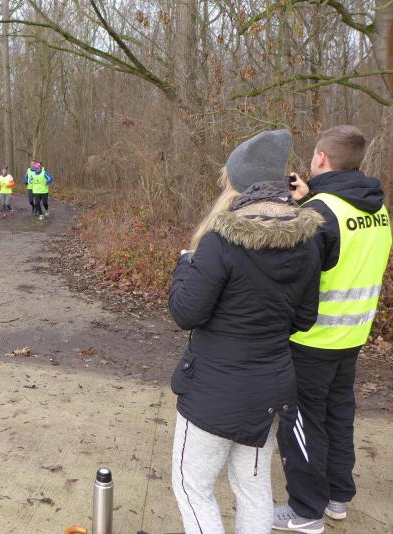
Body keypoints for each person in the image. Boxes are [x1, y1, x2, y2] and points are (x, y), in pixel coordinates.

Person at [168, 129, 323, 534]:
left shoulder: (221, 241)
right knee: (253, 489)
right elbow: (304, 319)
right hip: (270, 388)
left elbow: (185, 312)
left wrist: (185, 265)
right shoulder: (307, 241)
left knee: (191, 486)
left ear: (239, 182)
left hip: (215, 391)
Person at [273, 126, 392, 534]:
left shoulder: (321, 213)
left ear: (321, 158)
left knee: (302, 422)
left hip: (312, 338)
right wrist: (311, 199)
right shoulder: (376, 208)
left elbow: (296, 277)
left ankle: (305, 511)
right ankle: (338, 496)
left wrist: (303, 208)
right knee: (339, 414)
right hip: (352, 335)